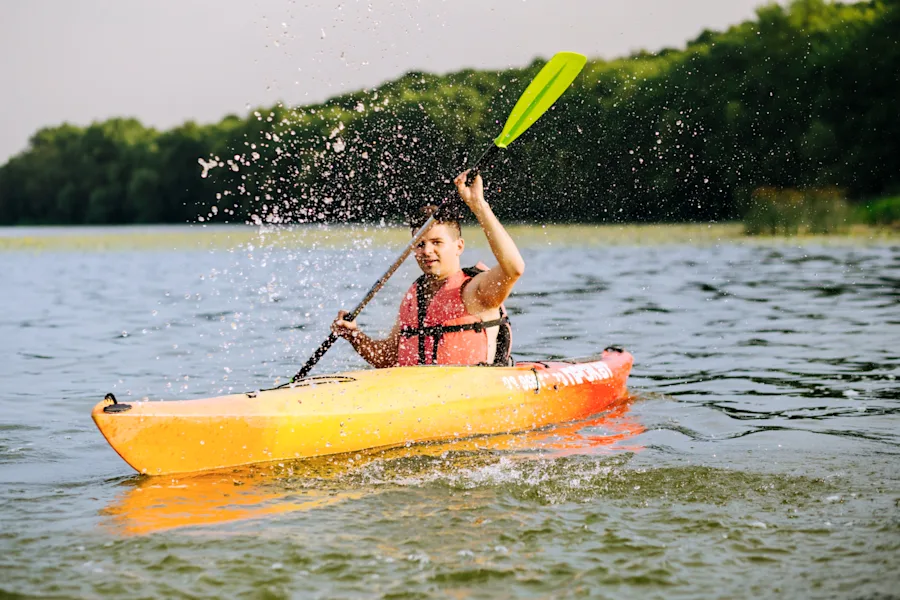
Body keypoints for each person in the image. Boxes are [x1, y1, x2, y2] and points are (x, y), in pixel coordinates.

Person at [331, 170, 525, 367]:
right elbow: (388, 359)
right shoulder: (415, 295)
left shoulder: (475, 290)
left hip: (474, 388)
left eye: (436, 242)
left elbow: (514, 269)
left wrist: (479, 206)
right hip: (421, 390)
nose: (427, 251)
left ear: (459, 246)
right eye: (420, 244)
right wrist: (354, 335)